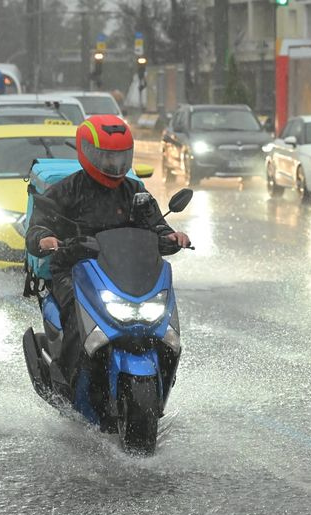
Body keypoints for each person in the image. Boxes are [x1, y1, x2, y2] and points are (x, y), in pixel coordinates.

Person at [25, 115, 191, 396]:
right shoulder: (66, 191)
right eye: (105, 158)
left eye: (119, 158)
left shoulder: (135, 191)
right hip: (75, 269)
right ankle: (66, 380)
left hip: (126, 271)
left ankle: (164, 368)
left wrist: (172, 237)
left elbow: (156, 224)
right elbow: (38, 225)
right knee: (75, 317)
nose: (113, 165)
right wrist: (44, 238)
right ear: (86, 152)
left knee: (161, 317)